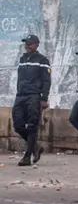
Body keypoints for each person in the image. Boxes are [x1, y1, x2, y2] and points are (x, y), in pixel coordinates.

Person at [13, 34, 51, 166]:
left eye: (30, 43)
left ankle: (27, 156)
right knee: (18, 125)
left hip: (34, 96)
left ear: (37, 45)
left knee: (31, 127)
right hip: (21, 95)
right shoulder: (22, 59)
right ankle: (35, 146)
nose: (27, 46)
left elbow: (47, 81)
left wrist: (43, 99)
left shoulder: (42, 60)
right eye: (26, 43)